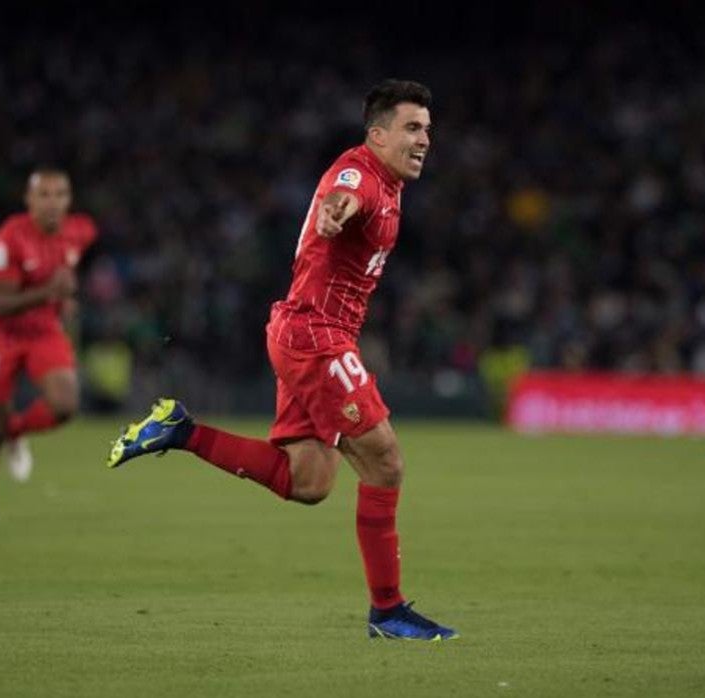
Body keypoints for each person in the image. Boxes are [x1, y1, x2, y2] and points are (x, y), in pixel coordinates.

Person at [106, 79, 456, 641]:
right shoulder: (360, 174)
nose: (424, 140)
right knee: (386, 462)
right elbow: (343, 196)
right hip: (317, 337)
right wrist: (333, 213)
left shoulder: (390, 182)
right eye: (412, 128)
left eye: (428, 131)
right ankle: (387, 612)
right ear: (377, 134)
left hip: (303, 333)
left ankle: (179, 431)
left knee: (310, 481)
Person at [0, 168, 96, 527]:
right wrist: (52, 292)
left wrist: (64, 298)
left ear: (69, 200)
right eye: (44, 195)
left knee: (66, 404)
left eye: (60, 195)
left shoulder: (79, 231)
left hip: (42, 330)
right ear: (29, 200)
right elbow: (2, 303)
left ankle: (16, 432)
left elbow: (66, 268)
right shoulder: (8, 239)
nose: (52, 203)